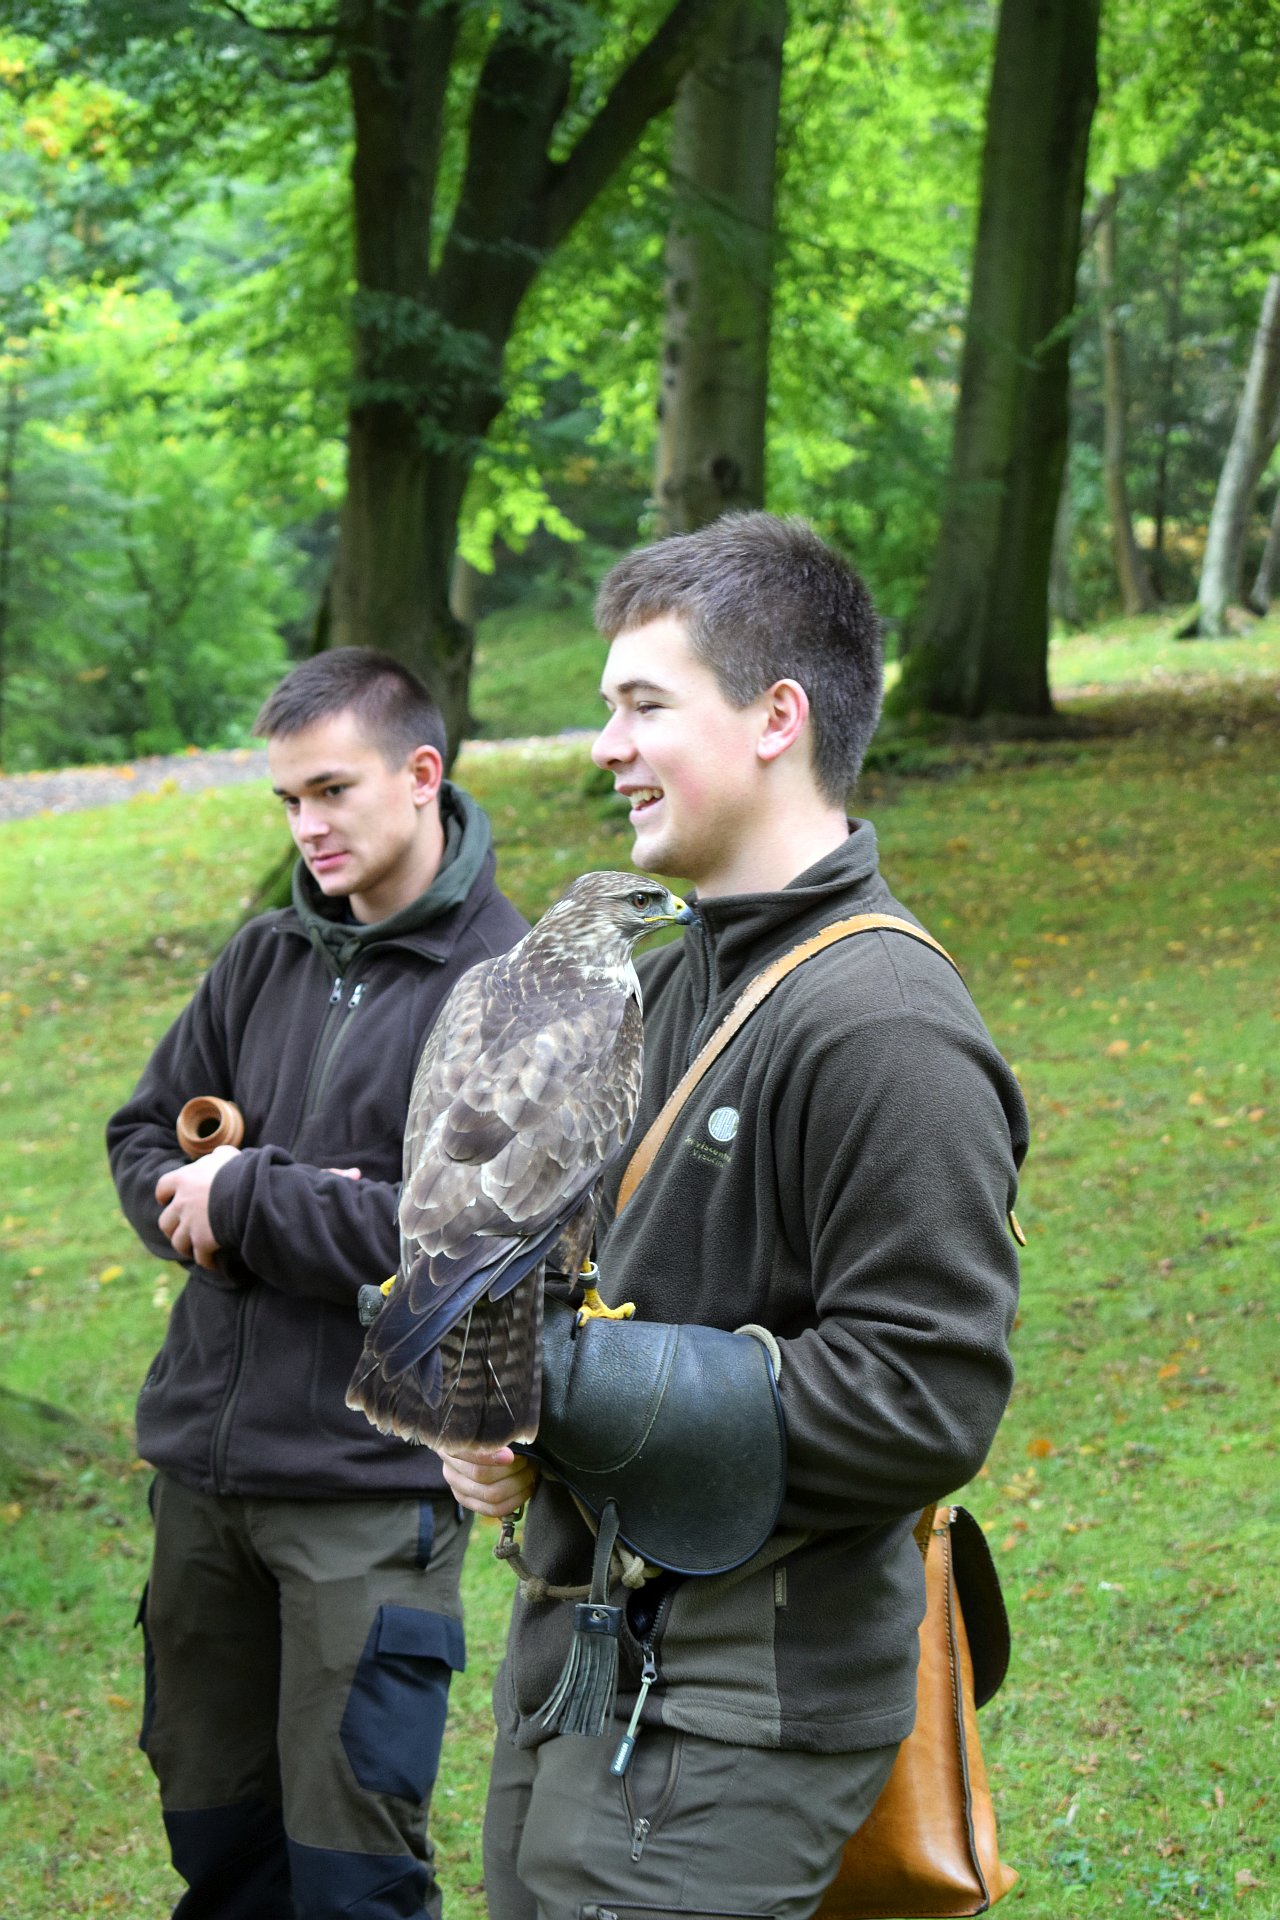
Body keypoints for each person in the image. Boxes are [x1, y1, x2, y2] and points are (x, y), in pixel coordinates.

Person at [440, 513, 1030, 1920]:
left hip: (739, 1699)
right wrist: (496, 1412)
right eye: (609, 709)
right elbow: (590, 1276)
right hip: (581, 1654)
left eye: (645, 705)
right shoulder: (664, 978)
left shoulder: (884, 1023)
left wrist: (568, 1385)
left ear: (776, 718)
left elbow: (925, 1396)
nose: (607, 746)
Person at [107, 647, 528, 1920]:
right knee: (218, 1844)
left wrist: (247, 1198)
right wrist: (222, 1208)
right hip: (204, 1477)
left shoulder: (504, 984)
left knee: (352, 1876)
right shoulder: (262, 955)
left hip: (368, 1491)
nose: (307, 826)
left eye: (332, 790)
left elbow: (465, 1238)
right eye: (288, 800)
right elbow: (143, 1136)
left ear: (421, 773)